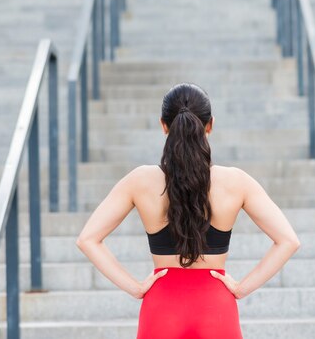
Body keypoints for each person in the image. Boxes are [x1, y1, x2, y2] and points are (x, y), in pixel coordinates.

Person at [76, 82, 301, 339]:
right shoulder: (236, 182)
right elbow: (288, 241)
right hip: (216, 309)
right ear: (210, 125)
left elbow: (88, 239)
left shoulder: (139, 180)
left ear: (163, 125)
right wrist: (241, 288)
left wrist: (136, 288)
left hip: (161, 308)